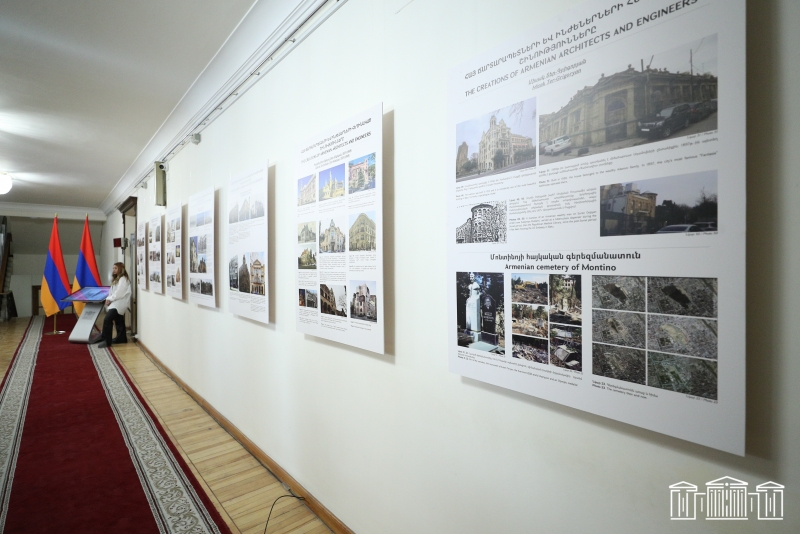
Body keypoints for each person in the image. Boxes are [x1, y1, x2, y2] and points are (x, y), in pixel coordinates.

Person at [98, 262, 131, 348]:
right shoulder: (116, 279)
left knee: (107, 319)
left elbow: (119, 293)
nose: (114, 270)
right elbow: (112, 292)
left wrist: (110, 299)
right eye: (113, 268)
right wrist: (108, 298)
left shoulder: (123, 279)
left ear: (120, 269)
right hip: (115, 302)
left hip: (120, 303)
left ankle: (106, 340)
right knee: (119, 321)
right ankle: (121, 338)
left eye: (116, 268)